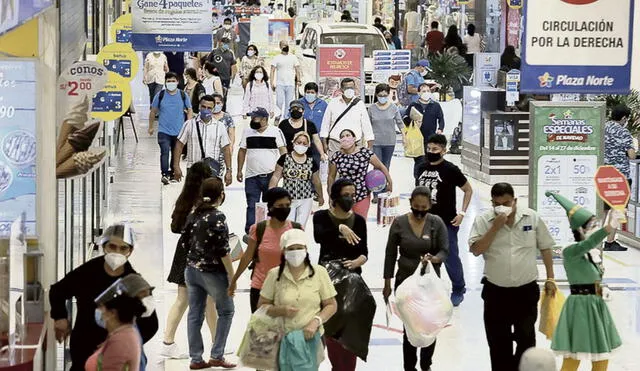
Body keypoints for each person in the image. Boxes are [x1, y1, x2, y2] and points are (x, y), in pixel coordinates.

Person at [469, 183, 556, 371]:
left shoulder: (531, 217)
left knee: (526, 341)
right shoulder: (484, 220)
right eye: (497, 204)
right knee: (499, 344)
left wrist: (550, 278)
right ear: (492, 203)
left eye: (506, 203)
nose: (502, 208)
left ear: (515, 201)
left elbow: (546, 247)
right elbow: (476, 250)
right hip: (496, 293)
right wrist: (495, 228)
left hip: (525, 292)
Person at [50, 223, 159, 371]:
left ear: (130, 251)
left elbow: (151, 324)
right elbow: (58, 290)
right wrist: (60, 316)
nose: (117, 252)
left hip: (115, 357)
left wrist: (121, 342)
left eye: (123, 248)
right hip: (84, 346)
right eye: (112, 247)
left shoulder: (134, 283)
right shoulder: (88, 272)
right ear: (104, 247)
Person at [545, 193, 622, 371]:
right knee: (574, 356)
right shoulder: (571, 251)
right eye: (592, 226)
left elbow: (589, 276)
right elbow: (590, 242)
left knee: (601, 357)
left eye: (596, 225)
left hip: (596, 306)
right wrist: (609, 227)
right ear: (580, 230)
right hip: (579, 307)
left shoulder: (591, 254)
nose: (595, 229)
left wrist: (601, 289)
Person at [383, 186, 449, 371]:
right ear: (410, 203)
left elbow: (445, 250)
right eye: (416, 206)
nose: (420, 211)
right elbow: (390, 253)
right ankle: (409, 366)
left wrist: (434, 259)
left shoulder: (437, 223)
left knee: (429, 325)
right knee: (410, 327)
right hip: (405, 283)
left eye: (424, 207)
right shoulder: (399, 223)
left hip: (430, 284)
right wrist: (387, 282)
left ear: (430, 205)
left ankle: (426, 364)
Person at [258, 228, 338, 369]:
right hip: (280, 339)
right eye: (291, 248)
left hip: (311, 338)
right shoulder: (274, 275)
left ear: (306, 249)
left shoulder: (319, 272)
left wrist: (316, 321)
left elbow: (331, 304)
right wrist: (280, 310)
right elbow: (262, 306)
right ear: (283, 251)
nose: (295, 252)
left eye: (299, 248)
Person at [313, 178, 369, 370]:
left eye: (353, 195)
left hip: (352, 279)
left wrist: (359, 260)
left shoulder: (359, 220)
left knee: (350, 329)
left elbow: (364, 251)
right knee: (332, 326)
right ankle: (336, 365)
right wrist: (339, 227)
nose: (350, 199)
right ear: (335, 197)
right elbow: (319, 236)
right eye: (346, 195)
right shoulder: (321, 217)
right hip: (328, 281)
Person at [163, 162, 217, 359]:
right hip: (200, 254)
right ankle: (215, 341)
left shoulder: (184, 199)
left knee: (184, 299)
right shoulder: (202, 204)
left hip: (184, 252)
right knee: (207, 300)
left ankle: (170, 341)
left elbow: (175, 227)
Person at [183, 177, 236, 369]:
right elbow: (223, 250)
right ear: (221, 195)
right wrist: (232, 277)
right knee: (227, 311)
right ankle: (217, 354)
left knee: (195, 314)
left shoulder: (193, 215)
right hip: (212, 272)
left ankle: (196, 358)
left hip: (191, 270)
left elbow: (184, 243)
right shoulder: (217, 217)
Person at [415, 134, 472, 306]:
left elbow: (468, 190)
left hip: (446, 221)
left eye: (435, 149)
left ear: (444, 151)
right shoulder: (421, 166)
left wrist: (462, 213)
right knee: (425, 256)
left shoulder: (451, 169)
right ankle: (430, 288)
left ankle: (458, 287)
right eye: (429, 148)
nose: (431, 152)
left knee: (450, 256)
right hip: (424, 220)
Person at [228, 187, 301, 311]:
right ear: (271, 207)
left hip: (287, 288)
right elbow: (247, 256)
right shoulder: (259, 229)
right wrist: (234, 279)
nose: (285, 208)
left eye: (287, 205)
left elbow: (301, 260)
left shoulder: (296, 229)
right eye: (280, 205)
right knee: (260, 327)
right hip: (261, 287)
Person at [237, 107, 288, 233]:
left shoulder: (276, 131)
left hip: (270, 175)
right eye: (252, 117)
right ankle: (250, 231)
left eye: (256, 117)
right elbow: (242, 151)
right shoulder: (247, 132)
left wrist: (282, 171)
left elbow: (283, 152)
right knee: (251, 205)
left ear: (265, 119)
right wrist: (239, 170)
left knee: (269, 205)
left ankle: (268, 230)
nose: (253, 120)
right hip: (251, 176)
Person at [86, 275, 150, 371]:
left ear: (112, 313)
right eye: (144, 294)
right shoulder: (127, 332)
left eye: (103, 309)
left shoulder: (122, 340)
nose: (101, 312)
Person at [328, 129, 393, 217]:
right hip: (343, 196)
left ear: (354, 138)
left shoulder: (364, 153)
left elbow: (381, 166)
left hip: (362, 194)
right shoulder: (337, 156)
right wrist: (331, 196)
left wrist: (390, 182)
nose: (345, 138)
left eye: (348, 135)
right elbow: (331, 176)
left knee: (360, 224)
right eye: (342, 137)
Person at [172, 95, 232, 185]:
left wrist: (229, 170)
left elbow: (226, 149)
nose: (206, 110)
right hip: (193, 169)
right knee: (193, 198)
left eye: (209, 108)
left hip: (211, 170)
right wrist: (176, 166)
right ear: (199, 106)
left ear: (213, 109)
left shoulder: (220, 126)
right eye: (203, 107)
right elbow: (179, 145)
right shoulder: (189, 124)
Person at [148, 72, 193, 184]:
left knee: (175, 152)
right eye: (168, 81)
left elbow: (189, 110)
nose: (171, 83)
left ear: (177, 82)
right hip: (163, 130)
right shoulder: (160, 95)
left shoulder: (183, 95)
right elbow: (153, 111)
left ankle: (173, 172)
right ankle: (164, 173)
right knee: (164, 151)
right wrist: (151, 127)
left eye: (173, 81)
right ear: (165, 82)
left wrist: (189, 124)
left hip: (179, 131)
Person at [269, 132, 324, 225]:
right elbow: (276, 176)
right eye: (299, 142)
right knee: (287, 226)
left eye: (304, 143)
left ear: (309, 145)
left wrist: (321, 196)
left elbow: (316, 181)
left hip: (306, 199)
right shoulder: (284, 158)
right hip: (287, 199)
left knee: (300, 227)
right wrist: (271, 193)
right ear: (293, 142)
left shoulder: (311, 161)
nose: (301, 145)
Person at [603, 104, 635, 251]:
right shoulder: (624, 132)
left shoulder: (603, 128)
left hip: (604, 173)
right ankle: (610, 242)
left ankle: (593, 240)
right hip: (620, 175)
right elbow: (631, 155)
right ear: (623, 118)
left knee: (602, 209)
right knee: (617, 209)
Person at [320, 78, 375, 156]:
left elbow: (366, 125)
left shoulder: (359, 104)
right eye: (346, 88)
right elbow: (325, 123)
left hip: (355, 144)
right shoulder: (333, 103)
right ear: (341, 89)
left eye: (351, 88)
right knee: (334, 167)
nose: (349, 90)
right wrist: (324, 143)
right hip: (336, 144)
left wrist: (369, 144)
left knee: (355, 167)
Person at [403, 83, 444, 179]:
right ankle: (418, 179)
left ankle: (427, 181)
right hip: (416, 138)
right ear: (418, 93)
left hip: (430, 138)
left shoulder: (435, 105)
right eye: (423, 91)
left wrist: (440, 129)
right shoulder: (414, 105)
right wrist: (412, 122)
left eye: (428, 91)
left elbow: (441, 118)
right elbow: (405, 118)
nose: (426, 93)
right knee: (419, 160)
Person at [368, 83, 404, 172]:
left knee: (386, 165)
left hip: (390, 141)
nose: (382, 97)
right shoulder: (371, 108)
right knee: (377, 166)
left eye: (385, 95)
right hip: (376, 142)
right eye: (380, 95)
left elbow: (400, 123)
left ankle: (385, 185)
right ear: (376, 95)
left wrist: (404, 136)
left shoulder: (393, 107)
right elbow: (367, 125)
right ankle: (376, 185)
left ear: (388, 95)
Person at [299, 82, 329, 165]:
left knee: (316, 165)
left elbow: (327, 121)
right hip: (302, 140)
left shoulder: (323, 104)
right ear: (304, 93)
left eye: (312, 92)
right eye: (308, 92)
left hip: (318, 140)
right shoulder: (298, 103)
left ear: (316, 93)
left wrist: (325, 141)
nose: (310, 94)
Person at [270, 40, 301, 119]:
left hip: (290, 84)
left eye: (286, 44)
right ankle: (278, 116)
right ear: (280, 47)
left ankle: (286, 119)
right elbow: (272, 70)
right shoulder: (276, 58)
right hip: (280, 83)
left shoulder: (293, 57)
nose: (285, 46)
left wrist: (299, 80)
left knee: (289, 103)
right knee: (279, 102)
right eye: (283, 45)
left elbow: (297, 69)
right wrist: (271, 83)